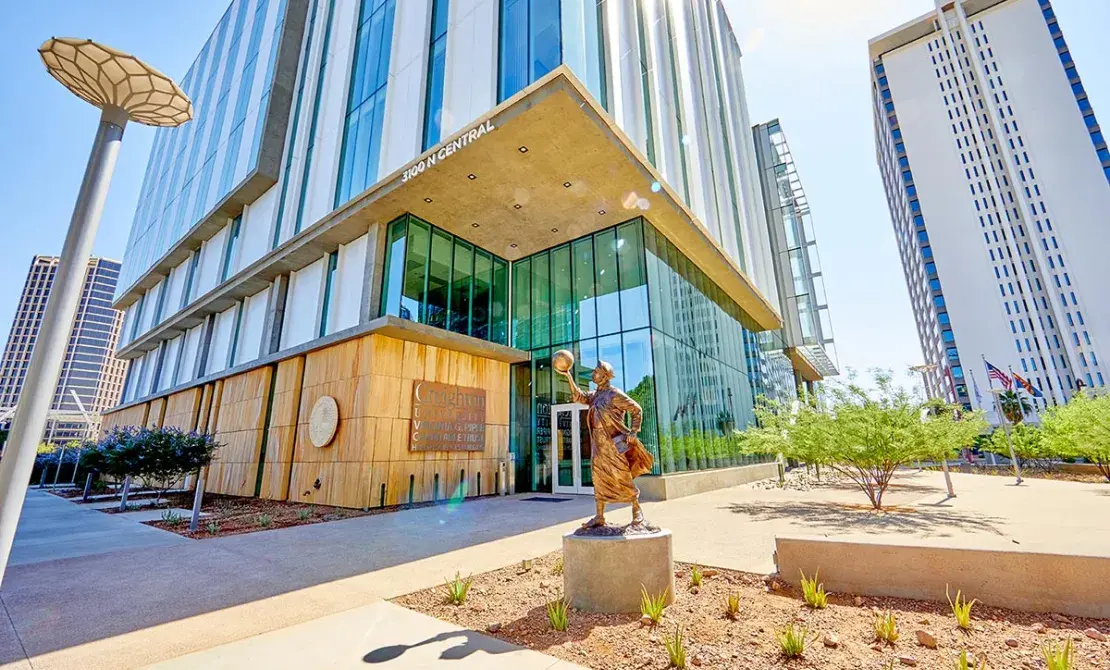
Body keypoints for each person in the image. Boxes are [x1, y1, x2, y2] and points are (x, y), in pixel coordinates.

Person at [556, 360, 654, 529]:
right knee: (598, 478)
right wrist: (568, 376)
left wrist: (633, 431)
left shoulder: (614, 394)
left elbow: (636, 410)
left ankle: (637, 512)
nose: (593, 374)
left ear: (605, 376)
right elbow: (578, 396)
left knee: (621, 475)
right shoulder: (595, 395)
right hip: (598, 443)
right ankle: (599, 516)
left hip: (613, 443)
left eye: (596, 371)